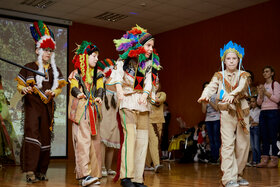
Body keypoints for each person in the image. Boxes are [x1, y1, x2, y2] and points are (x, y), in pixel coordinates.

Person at [107, 25, 161, 187]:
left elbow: (149, 81)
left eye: (152, 46)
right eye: (148, 45)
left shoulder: (148, 64)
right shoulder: (123, 61)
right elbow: (116, 75)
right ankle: (126, 177)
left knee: (142, 140)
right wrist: (119, 91)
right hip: (128, 103)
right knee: (130, 139)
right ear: (139, 45)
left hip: (142, 106)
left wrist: (145, 95)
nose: (151, 49)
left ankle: (138, 178)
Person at [15, 21, 67, 183]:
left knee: (45, 137)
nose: (48, 53)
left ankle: (40, 171)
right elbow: (20, 85)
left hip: (47, 107)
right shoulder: (28, 67)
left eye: (51, 51)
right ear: (38, 50)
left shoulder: (55, 70)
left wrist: (54, 92)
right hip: (31, 107)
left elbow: (59, 88)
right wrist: (23, 89)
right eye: (45, 50)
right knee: (31, 136)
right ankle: (30, 171)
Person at [198, 41, 251, 187]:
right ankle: (228, 178)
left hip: (243, 111)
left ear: (238, 59)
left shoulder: (244, 75)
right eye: (228, 58)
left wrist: (232, 94)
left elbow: (241, 87)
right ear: (224, 60)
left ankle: (239, 175)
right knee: (227, 145)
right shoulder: (219, 75)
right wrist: (204, 95)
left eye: (234, 58)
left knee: (243, 145)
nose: (231, 61)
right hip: (227, 112)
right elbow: (210, 87)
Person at [68, 41, 104, 186]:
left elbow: (101, 88)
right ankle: (84, 175)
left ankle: (94, 174)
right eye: (94, 56)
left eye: (97, 56)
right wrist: (79, 94)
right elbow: (73, 88)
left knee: (95, 143)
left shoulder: (98, 73)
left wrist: (100, 97)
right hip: (81, 111)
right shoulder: (76, 74)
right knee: (82, 143)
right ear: (85, 57)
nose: (96, 59)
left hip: (93, 111)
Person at [97, 59, 120, 177]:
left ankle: (109, 167)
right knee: (102, 143)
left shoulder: (118, 86)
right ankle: (101, 167)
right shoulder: (103, 86)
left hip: (114, 121)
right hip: (104, 120)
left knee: (112, 145)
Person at [256, 66, 280, 168]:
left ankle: (274, 158)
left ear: (272, 73)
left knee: (273, 136)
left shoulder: (275, 84)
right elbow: (258, 102)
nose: (265, 73)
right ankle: (264, 158)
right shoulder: (262, 86)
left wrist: (266, 93)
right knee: (264, 136)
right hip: (263, 112)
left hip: (273, 112)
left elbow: (277, 99)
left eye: (267, 71)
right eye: (264, 72)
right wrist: (261, 94)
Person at [0, 75, 21, 165]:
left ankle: (8, 157)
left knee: (8, 133)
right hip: (3, 113)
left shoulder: (1, 88)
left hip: (3, 113)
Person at [145, 83, 166, 172]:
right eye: (154, 84)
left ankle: (147, 164)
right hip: (149, 120)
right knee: (154, 141)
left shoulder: (162, 94)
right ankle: (157, 164)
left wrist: (150, 97)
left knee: (155, 143)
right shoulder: (146, 94)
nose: (156, 85)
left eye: (157, 83)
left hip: (159, 121)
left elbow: (159, 101)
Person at [201, 82, 221, 164]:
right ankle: (213, 157)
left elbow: (216, 108)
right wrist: (204, 102)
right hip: (208, 120)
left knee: (216, 138)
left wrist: (209, 101)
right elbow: (203, 111)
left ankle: (218, 157)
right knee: (211, 139)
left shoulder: (216, 95)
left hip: (216, 119)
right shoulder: (204, 97)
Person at [249, 96, 261, 166]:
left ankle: (259, 161)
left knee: (256, 146)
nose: (252, 103)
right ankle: (254, 161)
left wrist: (256, 123)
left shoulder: (259, 111)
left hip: (256, 128)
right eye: (251, 102)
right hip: (251, 128)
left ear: (256, 102)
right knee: (253, 146)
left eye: (253, 101)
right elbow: (249, 121)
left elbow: (260, 122)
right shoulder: (249, 111)